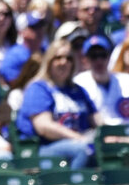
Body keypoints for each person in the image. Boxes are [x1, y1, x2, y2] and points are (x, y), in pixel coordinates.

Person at [15, 40, 99, 169]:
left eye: (69, 58)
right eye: (58, 58)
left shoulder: (78, 90)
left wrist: (112, 136)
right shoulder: (38, 88)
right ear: (49, 62)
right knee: (83, 150)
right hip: (43, 147)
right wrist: (78, 138)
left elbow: (97, 120)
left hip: (79, 142)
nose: (64, 62)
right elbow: (44, 127)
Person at [74, 35, 129, 138]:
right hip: (97, 139)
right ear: (85, 59)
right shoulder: (79, 83)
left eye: (103, 55)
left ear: (109, 57)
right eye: (94, 56)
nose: (99, 61)